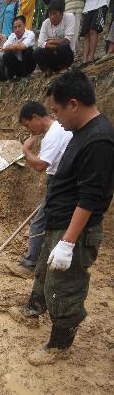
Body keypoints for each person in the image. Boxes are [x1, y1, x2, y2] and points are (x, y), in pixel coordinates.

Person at [23, 71, 114, 366]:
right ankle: (33, 309)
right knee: (44, 273)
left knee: (64, 287)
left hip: (74, 230)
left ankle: (60, 344)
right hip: (59, 221)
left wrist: (68, 242)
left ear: (73, 104)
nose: (56, 118)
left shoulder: (99, 140)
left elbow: (90, 197)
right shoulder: (82, 132)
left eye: (57, 110)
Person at [9, 101, 73, 278]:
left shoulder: (53, 134)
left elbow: (39, 166)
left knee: (39, 223)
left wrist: (25, 150)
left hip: (60, 182)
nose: (30, 130)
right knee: (51, 223)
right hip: (62, 181)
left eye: (28, 124)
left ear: (36, 117)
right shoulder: (59, 128)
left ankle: (30, 264)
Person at [81, 0, 114, 64]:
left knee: (93, 30)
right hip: (89, 5)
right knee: (86, 33)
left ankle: (91, 57)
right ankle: (84, 59)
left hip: (102, 1)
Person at [34, 0, 75, 74]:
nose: (52, 17)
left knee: (63, 47)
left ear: (62, 13)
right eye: (50, 14)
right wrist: (57, 47)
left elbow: (67, 40)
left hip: (66, 56)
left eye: (55, 13)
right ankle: (47, 69)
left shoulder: (69, 17)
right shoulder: (46, 23)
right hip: (52, 56)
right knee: (37, 52)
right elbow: (40, 43)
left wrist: (50, 41)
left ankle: (64, 67)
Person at [0, 15, 36, 81]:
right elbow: (4, 48)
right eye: (15, 27)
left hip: (28, 65)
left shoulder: (30, 34)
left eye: (19, 26)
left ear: (24, 25)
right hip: (17, 65)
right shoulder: (12, 36)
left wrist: (13, 46)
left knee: (28, 50)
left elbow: (23, 46)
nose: (17, 29)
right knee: (7, 54)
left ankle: (24, 76)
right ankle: (11, 77)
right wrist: (16, 46)